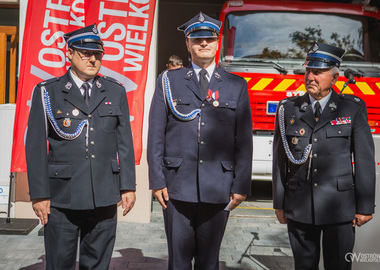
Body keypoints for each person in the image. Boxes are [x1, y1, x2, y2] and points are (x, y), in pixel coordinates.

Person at [25, 24, 136, 269]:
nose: (92, 58)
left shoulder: (115, 91)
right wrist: (40, 194)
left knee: (98, 264)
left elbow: (124, 143)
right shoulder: (48, 92)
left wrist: (127, 185)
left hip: (104, 195)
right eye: (85, 53)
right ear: (69, 53)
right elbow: (34, 147)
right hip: (63, 196)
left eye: (97, 54)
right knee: (59, 263)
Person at [147, 12, 253, 270]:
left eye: (209, 38)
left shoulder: (235, 85)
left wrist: (241, 184)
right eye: (197, 39)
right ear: (187, 43)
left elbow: (243, 140)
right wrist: (157, 180)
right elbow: (155, 134)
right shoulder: (168, 81)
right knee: (179, 261)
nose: (203, 43)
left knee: (208, 261)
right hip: (176, 186)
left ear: (217, 43)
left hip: (218, 186)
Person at [272, 42, 376, 269]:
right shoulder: (288, 108)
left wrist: (365, 206)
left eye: (318, 72)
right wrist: (279, 203)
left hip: (339, 208)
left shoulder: (352, 108)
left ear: (335, 77)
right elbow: (279, 161)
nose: (311, 76)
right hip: (299, 207)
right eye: (309, 70)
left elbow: (364, 159)